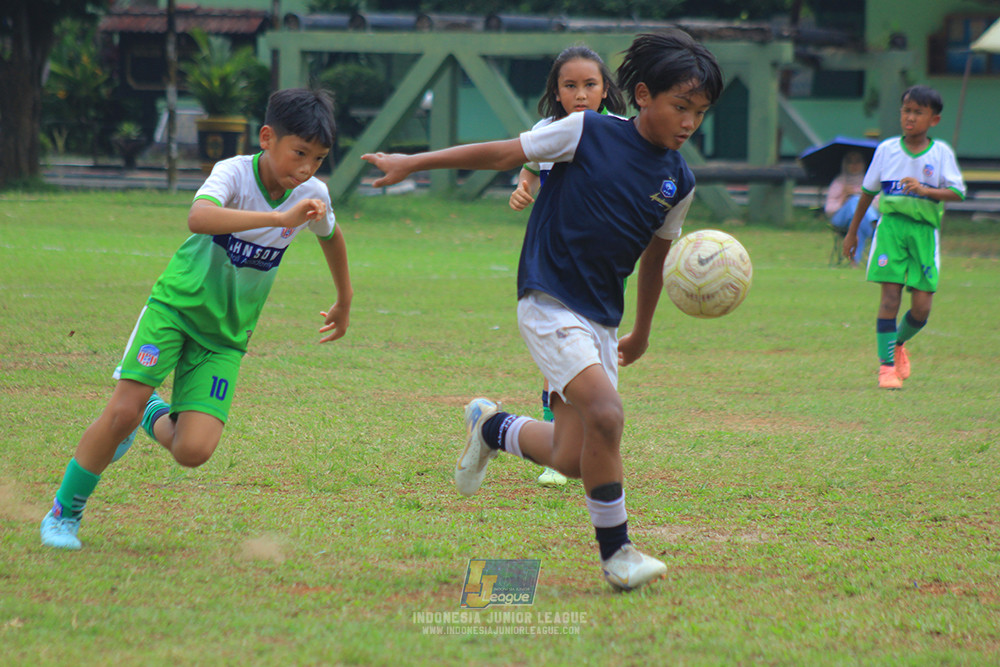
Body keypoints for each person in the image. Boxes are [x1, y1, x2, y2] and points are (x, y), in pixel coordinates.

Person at [362, 29, 723, 591]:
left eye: (699, 113)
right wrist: (415, 162)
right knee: (607, 414)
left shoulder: (679, 180)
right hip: (548, 297)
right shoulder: (587, 130)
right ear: (646, 94)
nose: (688, 123)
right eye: (681, 106)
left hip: (601, 318)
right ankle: (618, 553)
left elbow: (657, 261)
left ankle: (493, 426)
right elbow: (506, 151)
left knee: (570, 457)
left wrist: (643, 331)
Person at [40, 88, 354, 550]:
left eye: (318, 159)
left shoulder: (313, 193)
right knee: (118, 410)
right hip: (176, 309)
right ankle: (64, 514)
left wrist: (345, 296)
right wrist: (277, 215)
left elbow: (332, 234)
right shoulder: (232, 172)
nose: (306, 168)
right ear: (267, 138)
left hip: (226, 336)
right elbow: (198, 217)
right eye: (299, 153)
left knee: (193, 450)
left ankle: (149, 415)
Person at [508, 45, 627, 489]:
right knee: (561, 364)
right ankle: (558, 444)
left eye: (589, 85)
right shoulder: (547, 130)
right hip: (554, 261)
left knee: (591, 364)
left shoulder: (619, 132)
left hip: (599, 267)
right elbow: (530, 168)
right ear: (556, 92)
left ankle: (574, 445)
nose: (580, 94)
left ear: (605, 90)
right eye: (570, 86)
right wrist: (523, 189)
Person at [843, 85, 965, 390]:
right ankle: (886, 369)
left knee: (922, 308)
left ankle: (898, 344)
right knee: (890, 298)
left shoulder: (940, 154)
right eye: (906, 111)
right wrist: (852, 232)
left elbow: (957, 193)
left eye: (918, 112)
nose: (910, 118)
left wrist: (926, 191)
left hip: (923, 233)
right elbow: (867, 193)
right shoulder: (886, 150)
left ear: (933, 120)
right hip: (891, 230)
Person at [825, 150, 878, 267]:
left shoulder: (870, 182)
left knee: (859, 221)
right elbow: (829, 209)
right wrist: (844, 197)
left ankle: (854, 260)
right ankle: (872, 220)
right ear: (845, 164)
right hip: (840, 219)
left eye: (857, 162)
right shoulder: (839, 182)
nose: (854, 165)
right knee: (855, 201)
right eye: (850, 162)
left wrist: (863, 195)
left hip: (859, 222)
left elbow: (880, 204)